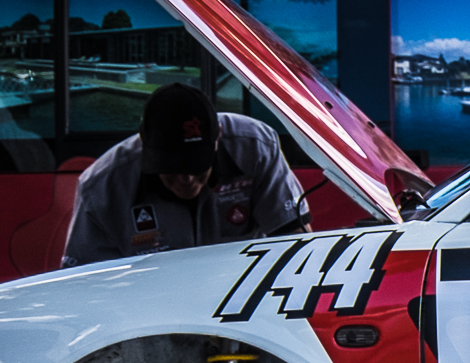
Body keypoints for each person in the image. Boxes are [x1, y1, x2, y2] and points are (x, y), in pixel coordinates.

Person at [62, 83, 310, 268]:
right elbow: (82, 282)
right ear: (144, 144)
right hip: (149, 307)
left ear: (218, 138)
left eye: (196, 166)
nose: (187, 180)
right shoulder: (101, 187)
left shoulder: (256, 148)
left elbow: (296, 242)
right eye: (172, 168)